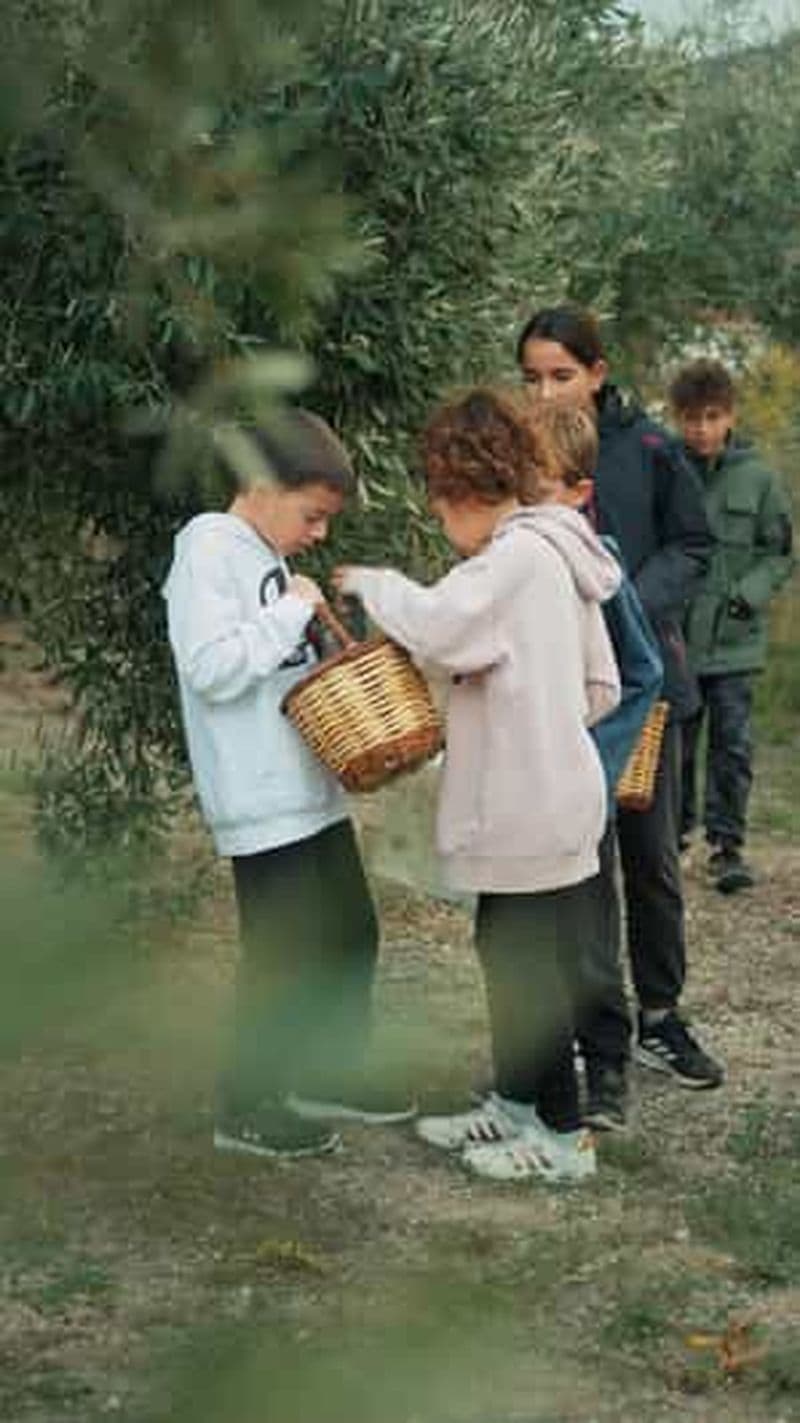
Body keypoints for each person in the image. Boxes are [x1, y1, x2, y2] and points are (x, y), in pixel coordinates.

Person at [334, 388, 622, 1184]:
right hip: (550, 793)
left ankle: (564, 1140)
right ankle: (519, 1103)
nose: (439, 520)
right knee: (505, 952)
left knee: (528, 974)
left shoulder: (515, 559)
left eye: (438, 502)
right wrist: (533, 714)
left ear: (461, 489)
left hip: (529, 802)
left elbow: (438, 625)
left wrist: (373, 583)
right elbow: (601, 685)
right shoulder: (556, 552)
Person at [163, 409, 415, 1160]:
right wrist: (289, 613)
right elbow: (209, 667)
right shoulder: (207, 546)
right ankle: (248, 1106)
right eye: (313, 514)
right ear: (264, 486)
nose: (320, 532)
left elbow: (292, 674)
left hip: (310, 791)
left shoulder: (268, 557)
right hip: (260, 797)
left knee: (350, 932)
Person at [516, 305, 724, 1111]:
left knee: (653, 862)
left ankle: (660, 1016)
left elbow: (694, 546)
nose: (545, 393)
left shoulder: (651, 450)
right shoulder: (518, 453)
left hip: (647, 690)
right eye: (532, 378)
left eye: (561, 376)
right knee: (585, 871)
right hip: (559, 700)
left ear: (598, 373)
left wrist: (621, 605)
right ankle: (595, 1040)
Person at [670, 358, 795, 893]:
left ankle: (727, 848)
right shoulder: (667, 470)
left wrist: (748, 597)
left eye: (712, 416)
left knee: (732, 745)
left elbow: (779, 551)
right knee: (675, 744)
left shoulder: (759, 478)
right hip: (678, 638)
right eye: (691, 418)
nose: (702, 429)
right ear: (678, 418)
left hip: (735, 640)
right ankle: (672, 838)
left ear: (730, 416)